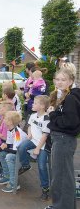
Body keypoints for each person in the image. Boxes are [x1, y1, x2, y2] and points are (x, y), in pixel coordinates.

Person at [44, 68, 80, 209]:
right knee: (63, 176)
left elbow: (69, 122)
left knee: (62, 177)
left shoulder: (71, 98)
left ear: (71, 81)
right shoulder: (64, 96)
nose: (59, 82)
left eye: (63, 80)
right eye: (57, 79)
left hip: (64, 139)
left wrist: (52, 115)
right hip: (61, 139)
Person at [17, 95, 51, 201]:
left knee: (41, 166)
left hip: (43, 144)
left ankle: (45, 189)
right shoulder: (33, 115)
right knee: (21, 147)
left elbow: (45, 136)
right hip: (33, 140)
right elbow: (30, 125)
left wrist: (37, 149)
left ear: (42, 106)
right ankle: (26, 165)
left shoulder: (46, 118)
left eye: (35, 103)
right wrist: (29, 133)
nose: (32, 104)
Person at [0, 111, 27, 193]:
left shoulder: (17, 133)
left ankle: (14, 183)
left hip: (24, 156)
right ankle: (7, 176)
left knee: (9, 156)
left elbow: (14, 151)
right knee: (1, 153)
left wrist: (1, 148)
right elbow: (8, 144)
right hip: (17, 152)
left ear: (10, 122)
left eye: (5, 119)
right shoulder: (10, 130)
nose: (3, 120)